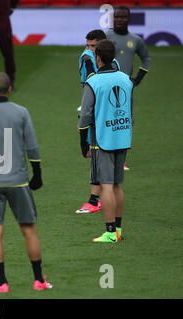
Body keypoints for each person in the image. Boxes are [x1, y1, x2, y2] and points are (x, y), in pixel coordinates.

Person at [0, 72, 52, 292]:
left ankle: (2, 283)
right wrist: (37, 173)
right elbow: (32, 145)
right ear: (10, 89)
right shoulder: (21, 113)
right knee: (29, 231)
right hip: (18, 181)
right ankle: (39, 280)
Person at [78, 40, 133, 242]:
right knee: (117, 184)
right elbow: (130, 108)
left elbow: (85, 116)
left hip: (103, 138)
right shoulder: (126, 79)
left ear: (97, 58)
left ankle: (110, 233)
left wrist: (83, 143)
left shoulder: (93, 82)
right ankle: (118, 229)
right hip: (123, 135)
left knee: (107, 185)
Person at [75, 29, 120, 214]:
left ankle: (95, 201)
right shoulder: (112, 63)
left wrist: (85, 120)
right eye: (87, 46)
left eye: (92, 46)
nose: (89, 50)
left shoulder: (93, 62)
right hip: (110, 117)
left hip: (99, 116)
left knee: (95, 155)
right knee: (100, 156)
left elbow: (92, 87)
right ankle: (100, 198)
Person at [106, 6, 151, 171]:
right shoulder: (106, 36)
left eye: (122, 17)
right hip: (106, 86)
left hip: (125, 89)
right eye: (116, 17)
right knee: (106, 121)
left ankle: (120, 160)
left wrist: (137, 80)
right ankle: (105, 155)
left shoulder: (136, 40)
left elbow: (146, 59)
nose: (119, 20)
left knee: (124, 123)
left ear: (129, 19)